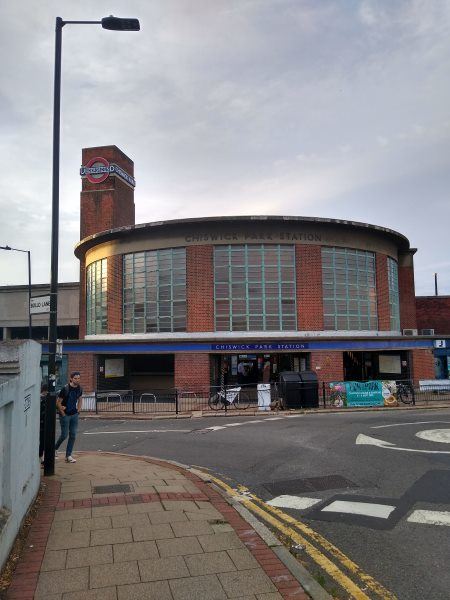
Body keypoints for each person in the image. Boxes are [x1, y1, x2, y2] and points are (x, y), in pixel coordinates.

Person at [55, 371, 83, 463]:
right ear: (71, 379)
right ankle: (54, 449)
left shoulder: (79, 389)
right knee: (64, 435)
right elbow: (58, 402)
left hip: (74, 414)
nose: (77, 380)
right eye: (75, 378)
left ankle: (68, 455)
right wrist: (62, 413)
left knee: (73, 435)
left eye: (78, 378)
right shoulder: (65, 389)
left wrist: (78, 409)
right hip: (65, 415)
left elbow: (80, 399)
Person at [39, 383, 48, 465]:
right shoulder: (43, 398)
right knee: (42, 441)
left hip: (41, 423)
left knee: (42, 441)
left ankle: (42, 457)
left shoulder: (41, 397)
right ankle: (41, 457)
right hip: (43, 423)